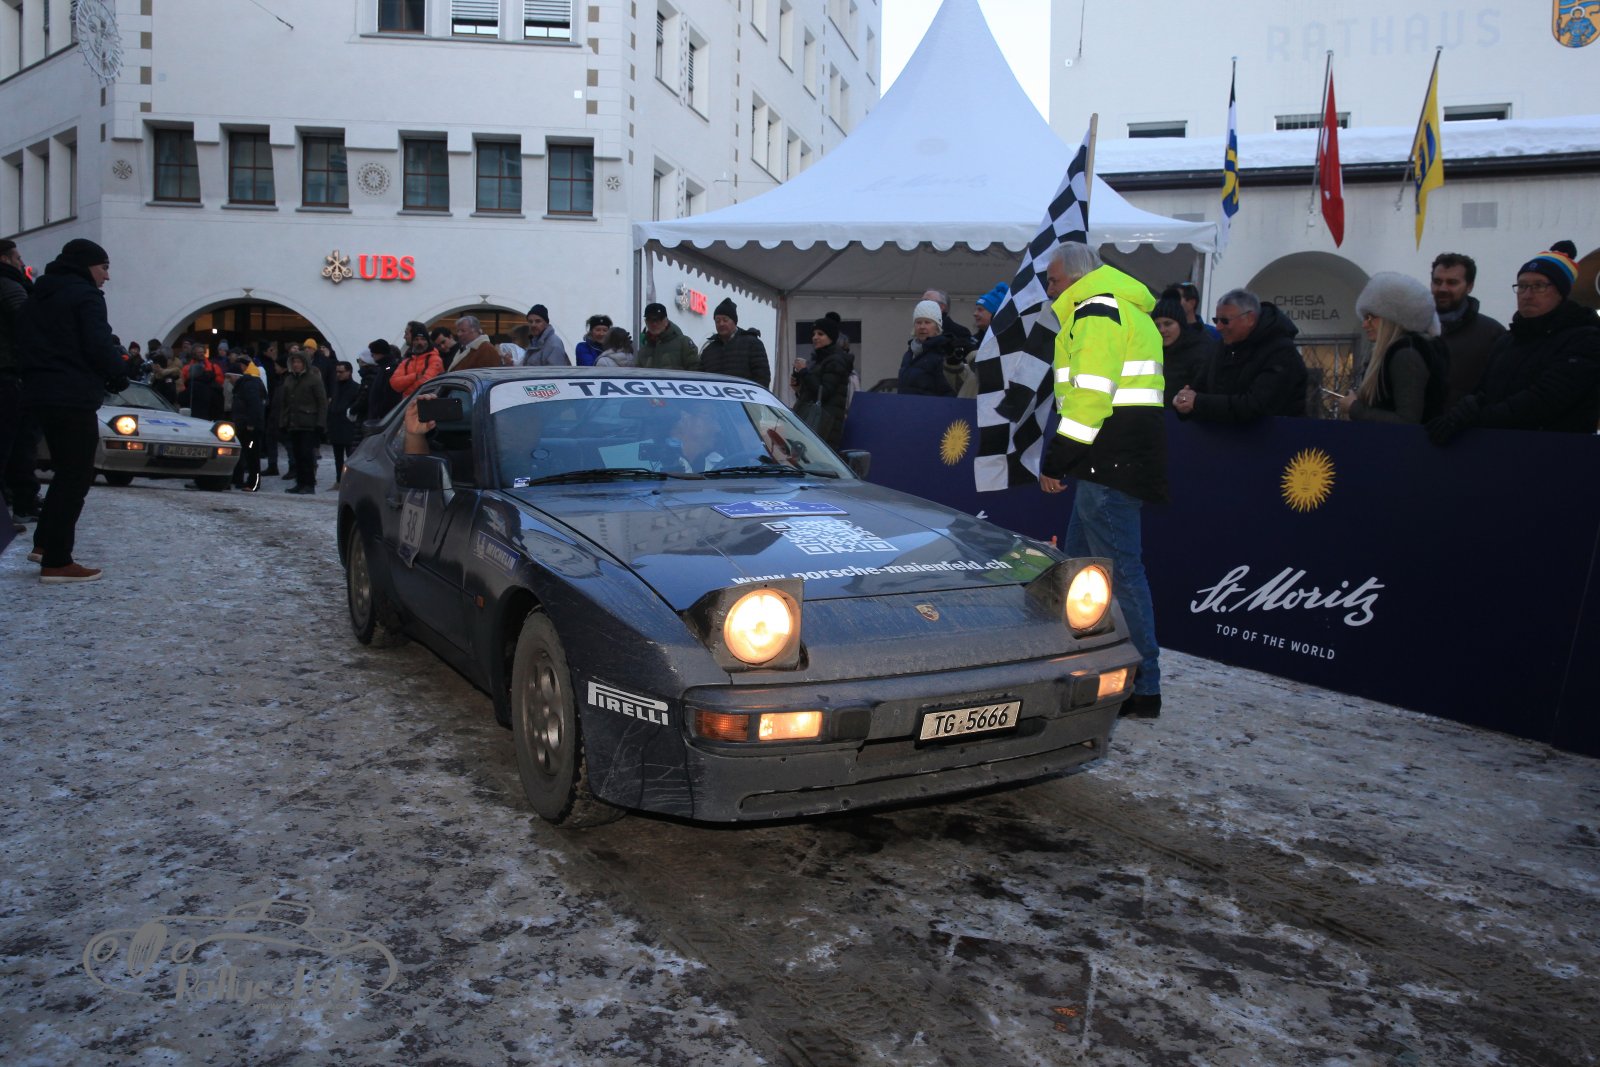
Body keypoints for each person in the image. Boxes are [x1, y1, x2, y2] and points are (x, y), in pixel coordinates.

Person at [1038, 242, 1166, 718]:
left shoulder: (1097, 311)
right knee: (1081, 569)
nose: (1050, 290)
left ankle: (1143, 687)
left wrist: (1057, 460)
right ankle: (1087, 669)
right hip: (1114, 460)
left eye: (1053, 280)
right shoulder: (1125, 308)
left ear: (1075, 277)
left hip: (1107, 462)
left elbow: (1089, 398)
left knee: (1119, 575)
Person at [17, 237, 128, 583]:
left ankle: (44, 545)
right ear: (86, 266)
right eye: (103, 267)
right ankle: (57, 560)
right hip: (72, 394)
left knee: (64, 472)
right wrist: (118, 372)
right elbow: (97, 342)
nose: (106, 276)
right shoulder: (85, 296)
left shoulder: (39, 294)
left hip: (40, 392)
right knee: (76, 475)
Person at [1427, 250, 1600, 445]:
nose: (1527, 295)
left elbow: (1544, 400)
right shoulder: (1508, 340)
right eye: (1522, 286)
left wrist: (1476, 419)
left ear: (1561, 292)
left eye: (1539, 286)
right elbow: (1483, 390)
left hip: (1559, 452)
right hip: (1500, 448)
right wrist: (1462, 410)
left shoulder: (1585, 339)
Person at [1172, 290, 1308, 422]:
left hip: (1276, 436)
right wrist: (1182, 401)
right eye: (1216, 320)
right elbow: (1197, 392)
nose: (1218, 327)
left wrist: (1197, 402)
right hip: (1222, 436)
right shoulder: (1220, 347)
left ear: (1249, 319)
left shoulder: (1281, 352)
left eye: (1225, 321)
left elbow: (1256, 406)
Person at [1341, 272, 1448, 424]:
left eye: (1370, 317)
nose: (1364, 324)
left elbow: (1407, 421)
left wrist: (1354, 408)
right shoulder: (1402, 351)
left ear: (1391, 318)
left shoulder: (1406, 355)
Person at [1430, 252, 1506, 410]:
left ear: (1469, 286)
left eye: (1452, 282)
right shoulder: (1412, 327)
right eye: (1437, 281)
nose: (1442, 288)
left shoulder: (1493, 333)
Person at [0, 238, 38, 525]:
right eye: (17, 258)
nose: (22, 263)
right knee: (11, 445)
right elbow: (28, 323)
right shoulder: (11, 286)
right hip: (8, 373)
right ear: (5, 259)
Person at [792, 316, 854, 447]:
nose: (815, 337)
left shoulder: (836, 360)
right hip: (816, 423)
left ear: (831, 337)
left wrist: (804, 372)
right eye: (814, 334)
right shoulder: (818, 359)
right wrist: (798, 388)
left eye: (820, 334)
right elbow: (813, 391)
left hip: (824, 425)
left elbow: (824, 392)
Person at [1152, 294, 1217, 404]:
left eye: (1168, 324)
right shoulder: (1152, 351)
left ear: (1181, 324)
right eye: (1157, 325)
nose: (1162, 330)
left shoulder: (1200, 350)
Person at [278, 350, 327, 494]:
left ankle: (309, 484)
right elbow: (285, 403)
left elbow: (322, 402)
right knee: (297, 455)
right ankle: (300, 483)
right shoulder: (289, 379)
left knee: (306, 455)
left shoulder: (314, 379)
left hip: (309, 423)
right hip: (294, 423)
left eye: (298, 362)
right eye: (294, 362)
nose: (296, 364)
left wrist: (321, 423)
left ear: (305, 363)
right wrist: (283, 422)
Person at [699, 298, 771, 387]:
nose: (721, 324)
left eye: (725, 320)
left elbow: (762, 378)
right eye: (717, 321)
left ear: (734, 321)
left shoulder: (752, 344)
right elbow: (701, 380)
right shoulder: (708, 351)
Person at [897, 300, 957, 396]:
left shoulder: (942, 354)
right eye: (918, 322)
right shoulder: (908, 355)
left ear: (937, 327)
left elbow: (947, 393)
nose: (922, 327)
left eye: (927, 322)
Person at [228, 352, 267, 491]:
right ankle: (239, 480)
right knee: (244, 453)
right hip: (245, 426)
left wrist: (251, 424)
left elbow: (255, 405)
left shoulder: (249, 384)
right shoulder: (247, 383)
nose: (228, 380)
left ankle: (253, 483)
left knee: (252, 454)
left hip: (250, 429)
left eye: (230, 376)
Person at [325, 360, 361, 487]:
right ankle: (339, 481)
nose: (338, 374)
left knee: (351, 457)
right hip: (336, 426)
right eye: (337, 372)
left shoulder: (356, 388)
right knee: (338, 457)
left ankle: (351, 482)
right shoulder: (335, 386)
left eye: (341, 372)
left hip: (348, 427)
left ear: (349, 372)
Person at [636, 302, 699, 370]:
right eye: (650, 320)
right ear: (646, 322)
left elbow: (695, 370)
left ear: (666, 321)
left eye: (659, 319)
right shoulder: (643, 351)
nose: (654, 324)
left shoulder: (683, 343)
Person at [390, 322, 443, 398]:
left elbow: (426, 383)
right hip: (408, 403)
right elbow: (394, 383)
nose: (404, 337)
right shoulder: (407, 360)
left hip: (425, 401)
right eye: (416, 339)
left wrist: (406, 391)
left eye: (407, 333)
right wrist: (415, 376)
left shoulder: (434, 359)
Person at [185, 342, 224, 420]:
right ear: (194, 354)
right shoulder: (187, 368)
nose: (202, 354)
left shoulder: (213, 366)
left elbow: (220, 380)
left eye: (203, 352)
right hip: (195, 400)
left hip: (211, 403)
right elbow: (185, 382)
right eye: (199, 352)